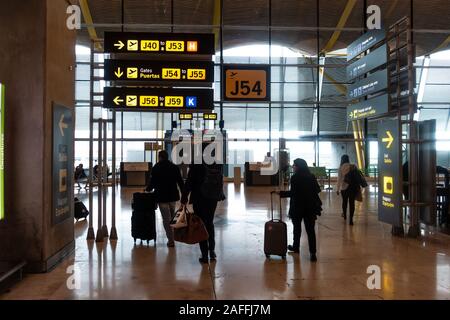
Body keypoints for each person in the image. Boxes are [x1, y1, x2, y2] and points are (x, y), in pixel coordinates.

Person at [181, 156, 225, 264]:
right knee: (209, 223)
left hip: (199, 198)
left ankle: (204, 254)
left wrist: (184, 197)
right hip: (212, 198)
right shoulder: (216, 163)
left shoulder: (196, 164)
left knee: (201, 224)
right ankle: (212, 251)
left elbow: (189, 182)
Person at [279, 158, 321, 262]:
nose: (293, 167)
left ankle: (296, 247)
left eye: (294, 165)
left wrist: (281, 193)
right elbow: (318, 190)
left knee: (297, 229)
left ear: (298, 166)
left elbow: (293, 193)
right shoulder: (311, 177)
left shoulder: (295, 178)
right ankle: (313, 253)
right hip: (310, 207)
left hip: (297, 207)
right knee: (310, 231)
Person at [146, 150, 184, 247]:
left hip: (161, 197)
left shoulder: (156, 168)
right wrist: (184, 194)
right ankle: (173, 236)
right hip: (172, 197)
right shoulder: (174, 167)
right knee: (172, 218)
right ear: (167, 157)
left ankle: (171, 240)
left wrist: (147, 189)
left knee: (166, 219)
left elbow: (152, 183)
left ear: (160, 157)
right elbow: (180, 182)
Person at [336, 154, 361, 225]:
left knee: (344, 202)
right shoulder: (353, 166)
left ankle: (345, 216)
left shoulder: (341, 167)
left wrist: (337, 189)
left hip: (344, 188)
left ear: (342, 160)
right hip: (353, 188)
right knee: (352, 203)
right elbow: (357, 177)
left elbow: (339, 179)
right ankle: (351, 220)